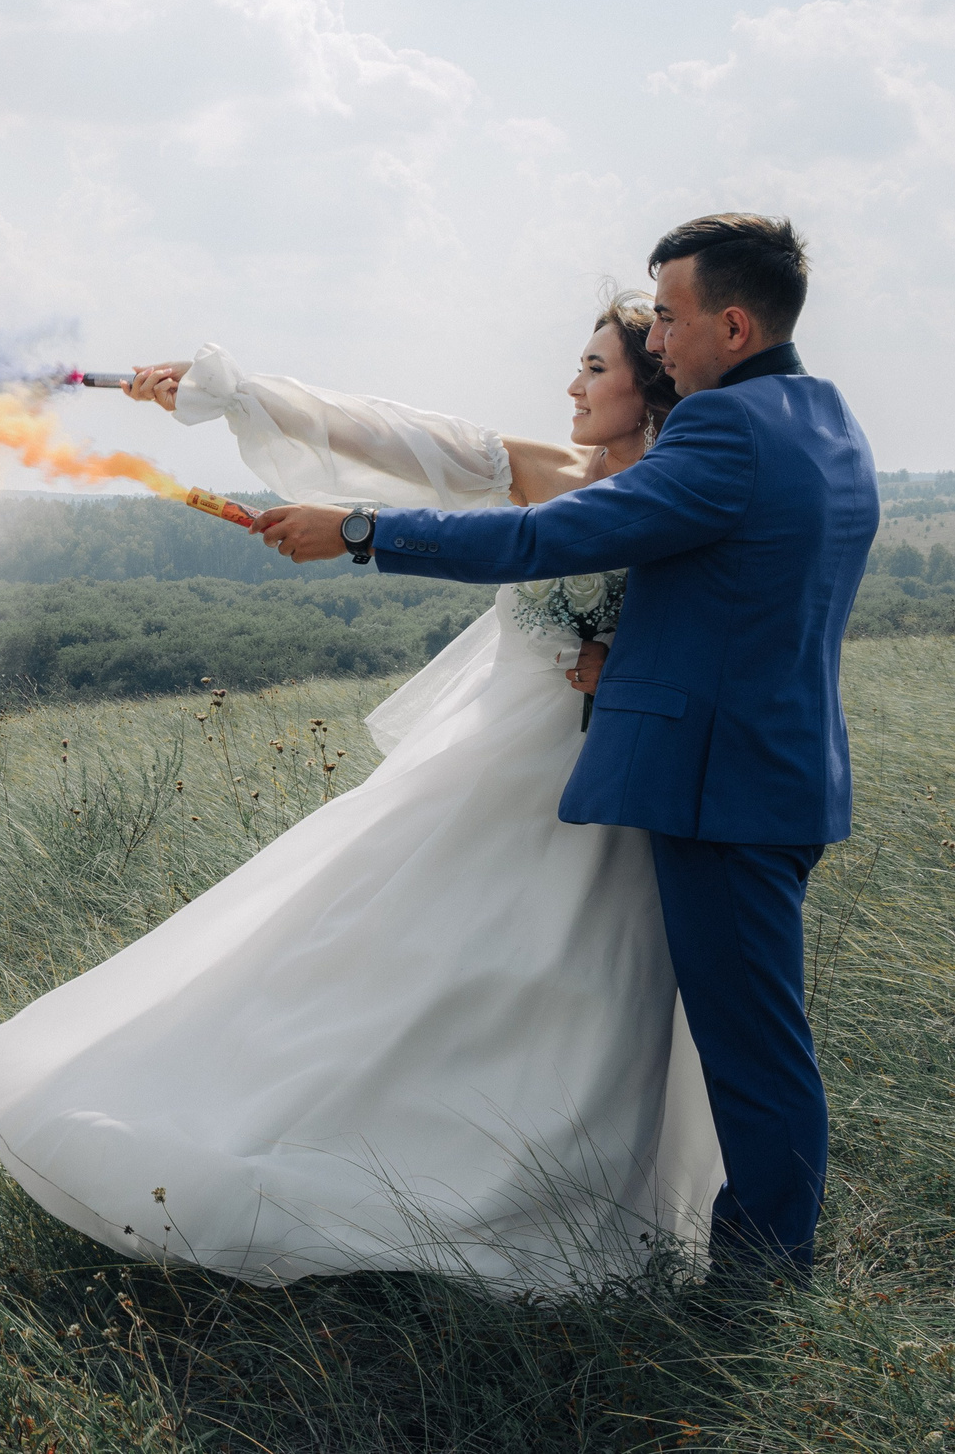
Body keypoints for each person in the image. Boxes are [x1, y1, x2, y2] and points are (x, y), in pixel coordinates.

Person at [0, 290, 718, 1292]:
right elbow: (412, 441)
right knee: (383, 953)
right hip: (490, 770)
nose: (571, 385)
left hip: (611, 786)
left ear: (646, 384)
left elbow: (716, 619)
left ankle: (556, 1199)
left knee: (581, 983)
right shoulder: (560, 472)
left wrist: (629, 661)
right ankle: (344, 1153)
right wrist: (231, 395)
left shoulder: (684, 492)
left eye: (594, 368)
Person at [250, 215, 877, 1290]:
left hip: (717, 787)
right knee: (750, 1038)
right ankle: (755, 1257)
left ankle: (762, 1283)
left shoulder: (724, 432)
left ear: (732, 323)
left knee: (754, 1052)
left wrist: (362, 533)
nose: (662, 343)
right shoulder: (824, 419)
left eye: (672, 319)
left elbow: (549, 538)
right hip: (780, 768)